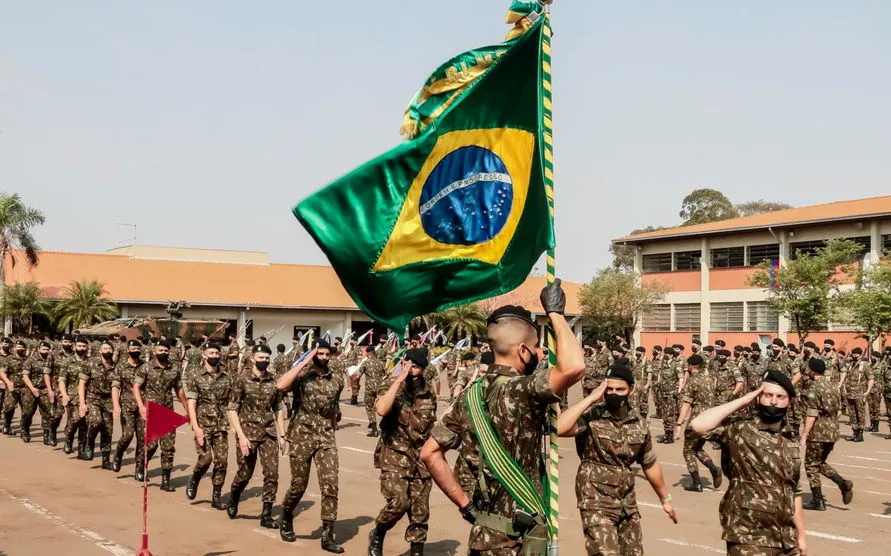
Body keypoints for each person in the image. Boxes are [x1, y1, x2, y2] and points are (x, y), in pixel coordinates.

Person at [421, 280, 586, 555]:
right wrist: (555, 313)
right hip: (518, 541)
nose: (537, 354)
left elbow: (429, 454)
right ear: (523, 351)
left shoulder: (468, 398)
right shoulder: (524, 390)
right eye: (535, 348)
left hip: (483, 535)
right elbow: (575, 367)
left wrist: (466, 505)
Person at [557, 362, 677, 555]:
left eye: (619, 389)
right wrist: (591, 398)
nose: (613, 393)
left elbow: (649, 464)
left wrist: (665, 499)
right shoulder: (592, 416)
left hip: (626, 502)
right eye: (609, 388)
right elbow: (559, 427)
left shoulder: (639, 423)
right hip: (595, 498)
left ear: (630, 390)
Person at [690, 370, 807, 555]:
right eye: (768, 395)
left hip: (785, 538)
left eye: (780, 396)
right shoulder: (739, 428)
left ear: (789, 401)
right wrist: (744, 399)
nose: (773, 402)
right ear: (759, 397)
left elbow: (794, 490)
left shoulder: (789, 438)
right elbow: (698, 425)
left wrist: (800, 536)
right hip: (748, 535)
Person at [275, 340, 345, 553]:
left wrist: (332, 429)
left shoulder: (337, 380)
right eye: (320, 354)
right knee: (298, 485)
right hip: (301, 435)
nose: (324, 358)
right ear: (313, 354)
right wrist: (303, 361)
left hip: (325, 437)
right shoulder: (302, 378)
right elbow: (280, 385)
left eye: (327, 354)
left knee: (331, 484)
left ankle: (327, 534)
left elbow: (334, 408)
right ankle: (286, 515)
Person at [368, 348, 437, 556]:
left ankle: (417, 551)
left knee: (420, 513)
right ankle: (378, 533)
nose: (411, 370)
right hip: (394, 454)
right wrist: (398, 380)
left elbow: (430, 425)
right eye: (408, 365)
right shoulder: (390, 385)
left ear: (423, 369)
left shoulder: (428, 391)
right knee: (399, 502)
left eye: (416, 367)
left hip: (420, 457)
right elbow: (381, 409)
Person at [227, 343, 286, 529]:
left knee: (272, 474)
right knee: (245, 474)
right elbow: (232, 409)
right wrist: (241, 436)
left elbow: (278, 408)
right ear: (252, 358)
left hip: (268, 433)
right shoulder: (242, 380)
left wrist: (282, 435)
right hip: (248, 433)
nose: (264, 361)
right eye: (261, 358)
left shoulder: (273, 380)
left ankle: (266, 514)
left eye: (267, 358)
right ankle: (234, 497)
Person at [133, 340, 189, 489]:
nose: (163, 353)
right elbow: (136, 386)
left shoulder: (174, 369)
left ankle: (166, 480)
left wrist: (187, 408)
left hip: (167, 410)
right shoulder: (146, 368)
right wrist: (141, 406)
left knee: (168, 447)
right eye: (160, 350)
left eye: (166, 350)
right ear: (154, 351)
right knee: (151, 446)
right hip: (151, 410)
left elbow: (179, 390)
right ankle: (140, 465)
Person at [800, 358, 853, 511]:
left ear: (813, 370)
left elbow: (811, 414)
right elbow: (839, 411)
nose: (807, 371)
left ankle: (818, 501)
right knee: (819, 463)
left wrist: (804, 434)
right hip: (833, 430)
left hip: (818, 432)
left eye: (808, 369)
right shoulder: (833, 386)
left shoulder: (814, 388)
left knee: (811, 465)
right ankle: (843, 483)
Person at [184, 342, 232, 510]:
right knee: (205, 459)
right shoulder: (196, 376)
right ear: (204, 355)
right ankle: (195, 478)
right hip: (203, 424)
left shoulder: (226, 376)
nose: (214, 356)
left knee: (222, 461)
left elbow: (232, 401)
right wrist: (196, 427)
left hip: (220, 425)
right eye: (211, 353)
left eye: (217, 353)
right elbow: (191, 403)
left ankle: (216, 496)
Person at [675, 355, 722, 492]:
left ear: (691, 366)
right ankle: (713, 469)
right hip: (710, 419)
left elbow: (686, 404)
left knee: (688, 451)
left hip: (696, 420)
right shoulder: (709, 379)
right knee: (697, 448)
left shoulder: (692, 380)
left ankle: (697, 483)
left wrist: (679, 424)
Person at [78, 341, 117, 467]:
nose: (107, 351)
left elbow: (117, 387)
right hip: (93, 398)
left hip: (108, 401)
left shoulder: (116, 367)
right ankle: (89, 444)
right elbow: (82, 384)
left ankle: (105, 460)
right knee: (95, 421)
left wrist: (117, 405)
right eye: (105, 349)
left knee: (108, 430)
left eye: (110, 349)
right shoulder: (90, 364)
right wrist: (82, 403)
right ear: (100, 351)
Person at [111, 340, 145, 474]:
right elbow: (115, 386)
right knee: (128, 435)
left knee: (143, 439)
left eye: (138, 348)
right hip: (127, 405)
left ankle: (139, 467)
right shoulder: (121, 366)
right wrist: (116, 405)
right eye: (133, 348)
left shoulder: (145, 366)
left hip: (142, 407)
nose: (135, 350)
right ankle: (118, 454)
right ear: (127, 350)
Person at [22, 340, 59, 445]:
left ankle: (46, 435)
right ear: (38, 349)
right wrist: (32, 388)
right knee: (28, 412)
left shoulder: (51, 360)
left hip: (44, 389)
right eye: (43, 349)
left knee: (47, 413)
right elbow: (25, 376)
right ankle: (25, 429)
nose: (46, 351)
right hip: (31, 389)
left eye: (47, 349)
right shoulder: (31, 360)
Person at [59, 337, 90, 455]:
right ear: (75, 347)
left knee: (85, 422)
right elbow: (62, 380)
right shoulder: (67, 362)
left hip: (87, 397)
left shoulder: (91, 362)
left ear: (87, 348)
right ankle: (69, 440)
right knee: (74, 420)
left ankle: (82, 448)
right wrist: (64, 395)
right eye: (79, 346)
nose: (81, 348)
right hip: (72, 396)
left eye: (83, 346)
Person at [841, 347, 873, 442]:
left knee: (860, 414)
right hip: (850, 393)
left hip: (860, 393)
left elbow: (871, 378)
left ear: (860, 355)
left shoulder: (865, 365)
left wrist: (867, 391)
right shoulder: (850, 364)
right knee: (852, 414)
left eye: (856, 354)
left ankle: (860, 434)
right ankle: (854, 433)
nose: (854, 355)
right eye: (853, 354)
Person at [0, 340, 30, 438]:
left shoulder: (28, 360)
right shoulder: (8, 359)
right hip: (12, 388)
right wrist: (8, 382)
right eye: (18, 347)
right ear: (14, 348)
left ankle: (24, 430)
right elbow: (2, 372)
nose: (20, 349)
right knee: (9, 407)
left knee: (27, 411)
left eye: (22, 347)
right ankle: (7, 425)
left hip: (25, 389)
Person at [655, 346, 684, 444]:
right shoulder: (663, 364)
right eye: (665, 354)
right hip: (663, 392)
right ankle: (666, 434)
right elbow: (660, 374)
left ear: (671, 355)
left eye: (667, 354)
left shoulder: (676, 365)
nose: (665, 355)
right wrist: (659, 384)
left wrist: (679, 390)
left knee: (670, 415)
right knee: (664, 415)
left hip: (671, 393)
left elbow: (681, 378)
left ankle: (670, 437)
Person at [357, 344, 386, 437]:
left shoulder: (365, 363)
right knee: (383, 408)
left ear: (368, 353)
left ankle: (374, 429)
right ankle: (384, 426)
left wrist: (356, 384)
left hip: (369, 388)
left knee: (369, 408)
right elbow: (387, 375)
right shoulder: (381, 363)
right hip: (380, 388)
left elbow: (358, 375)